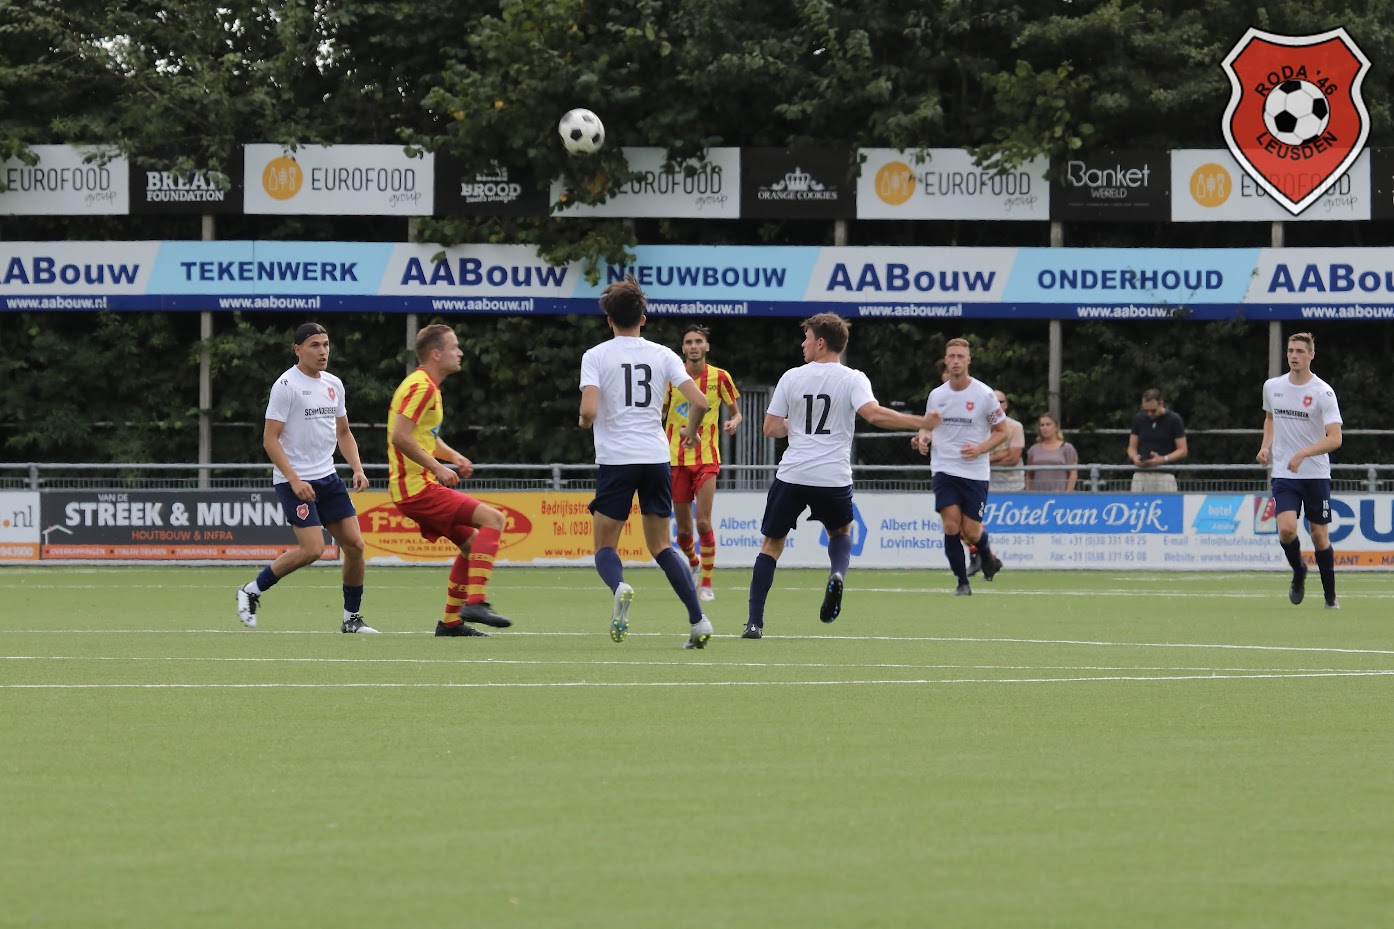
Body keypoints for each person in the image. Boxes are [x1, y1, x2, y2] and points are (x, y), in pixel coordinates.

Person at [743, 313, 940, 639]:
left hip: (793, 474)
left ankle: (754, 622)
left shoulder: (791, 377)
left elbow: (770, 428)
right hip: (832, 477)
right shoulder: (853, 378)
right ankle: (836, 574)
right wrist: (920, 420)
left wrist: (799, 426)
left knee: (771, 546)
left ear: (820, 342)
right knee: (840, 533)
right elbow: (874, 415)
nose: (803, 343)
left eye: (806, 338)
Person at [579, 275, 715, 649]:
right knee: (662, 547)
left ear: (609, 320)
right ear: (644, 318)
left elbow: (589, 409)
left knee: (605, 546)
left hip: (617, 460)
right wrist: (689, 430)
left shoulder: (596, 356)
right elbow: (701, 403)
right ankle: (698, 620)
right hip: (656, 457)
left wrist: (585, 419)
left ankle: (619, 585)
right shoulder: (664, 354)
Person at [236, 323, 375, 633]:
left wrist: (357, 467)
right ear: (297, 349)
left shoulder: (334, 384)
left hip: (328, 477)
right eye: (314, 345)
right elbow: (270, 440)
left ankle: (351, 618)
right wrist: (295, 479)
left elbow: (343, 432)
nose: (322, 351)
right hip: (294, 481)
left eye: (325, 344)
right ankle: (250, 590)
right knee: (313, 550)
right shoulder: (286, 386)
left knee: (354, 545)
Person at [388, 323, 513, 637]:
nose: (460, 352)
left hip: (414, 487)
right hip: (416, 488)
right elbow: (400, 437)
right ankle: (476, 602)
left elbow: (423, 437)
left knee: (472, 547)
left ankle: (451, 622)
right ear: (436, 353)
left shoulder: (427, 386)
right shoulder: (422, 387)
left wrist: (453, 457)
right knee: (494, 520)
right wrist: (439, 469)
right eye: (454, 347)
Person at [913, 338, 1010, 596]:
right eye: (951, 356)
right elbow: (927, 425)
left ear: (968, 361)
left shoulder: (984, 395)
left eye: (960, 356)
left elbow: (1003, 432)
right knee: (950, 526)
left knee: (971, 530)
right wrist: (923, 437)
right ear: (946, 361)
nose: (955, 361)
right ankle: (961, 582)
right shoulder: (937, 395)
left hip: (975, 472)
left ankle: (988, 556)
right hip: (944, 469)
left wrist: (980, 449)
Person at [1257, 332, 1343, 609]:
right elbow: (1270, 419)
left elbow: (1335, 438)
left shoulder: (1323, 392)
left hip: (1315, 474)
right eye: (1290, 350)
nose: (1294, 355)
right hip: (1284, 472)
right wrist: (1265, 447)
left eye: (1299, 351)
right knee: (1286, 530)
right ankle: (1299, 571)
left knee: (1319, 535)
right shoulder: (1272, 386)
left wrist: (1303, 453)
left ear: (1311, 355)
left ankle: (1330, 596)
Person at [662, 323, 742, 602]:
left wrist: (733, 422)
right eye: (689, 342)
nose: (694, 346)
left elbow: (736, 412)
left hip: (707, 458)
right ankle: (693, 561)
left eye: (698, 341)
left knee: (704, 523)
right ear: (682, 348)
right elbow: (658, 414)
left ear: (706, 346)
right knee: (683, 532)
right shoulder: (671, 379)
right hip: (674, 459)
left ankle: (707, 583)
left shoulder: (720, 377)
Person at [969, 388, 1024, 575]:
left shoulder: (1014, 427)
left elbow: (1012, 458)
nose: (997, 405)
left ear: (1006, 405)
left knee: (976, 525)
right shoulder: (977, 426)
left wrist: (981, 455)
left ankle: (988, 560)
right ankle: (986, 559)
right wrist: (996, 455)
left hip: (1011, 486)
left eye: (1000, 402)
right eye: (993, 401)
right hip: (983, 483)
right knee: (971, 524)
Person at [1127, 388, 1187, 492]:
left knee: (1167, 507)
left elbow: (1183, 450)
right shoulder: (1138, 419)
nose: (1149, 414)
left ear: (1161, 403)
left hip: (1164, 475)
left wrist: (1163, 459)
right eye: (1146, 410)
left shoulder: (1174, 419)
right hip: (1141, 474)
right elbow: (1131, 448)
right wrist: (1135, 458)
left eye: (1153, 410)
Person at [1025, 412, 1078, 492]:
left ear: (1056, 427)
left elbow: (1073, 473)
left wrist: (1067, 494)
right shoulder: (1033, 449)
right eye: (1042, 425)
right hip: (1037, 494)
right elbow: (1029, 474)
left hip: (1059, 493)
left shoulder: (1066, 448)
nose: (1044, 428)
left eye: (1048, 424)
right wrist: (1028, 493)